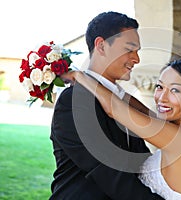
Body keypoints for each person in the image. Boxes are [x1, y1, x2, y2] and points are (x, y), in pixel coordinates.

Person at [62, 58, 181, 199]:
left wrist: (80, 77)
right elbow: (136, 107)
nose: (162, 98)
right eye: (160, 87)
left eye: (175, 90)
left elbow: (115, 109)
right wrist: (103, 83)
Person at [50, 11, 164, 199]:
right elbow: (109, 174)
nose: (137, 59)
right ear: (101, 46)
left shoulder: (124, 101)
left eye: (137, 51)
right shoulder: (73, 101)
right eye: (129, 49)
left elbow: (141, 163)